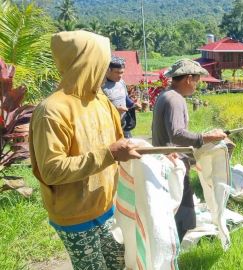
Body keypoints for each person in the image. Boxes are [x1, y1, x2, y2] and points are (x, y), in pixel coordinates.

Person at [29, 30, 141, 270]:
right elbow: (51, 170)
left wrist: (158, 156)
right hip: (75, 216)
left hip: (107, 206)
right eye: (100, 62)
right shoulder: (52, 111)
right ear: (84, 63)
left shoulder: (101, 101)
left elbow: (121, 145)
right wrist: (108, 154)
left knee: (119, 263)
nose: (104, 69)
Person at [152, 59, 228, 240]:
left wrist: (192, 159)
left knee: (175, 209)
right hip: (172, 164)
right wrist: (206, 138)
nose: (197, 85)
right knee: (182, 215)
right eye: (197, 81)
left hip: (169, 160)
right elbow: (177, 134)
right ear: (188, 79)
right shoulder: (175, 100)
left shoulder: (166, 95)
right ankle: (172, 255)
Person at [102, 56, 137, 138]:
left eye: (122, 72)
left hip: (123, 124)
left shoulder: (121, 82)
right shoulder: (100, 85)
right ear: (108, 70)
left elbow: (125, 98)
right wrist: (115, 110)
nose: (120, 75)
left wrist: (133, 105)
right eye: (117, 72)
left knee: (128, 148)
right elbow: (97, 107)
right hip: (109, 127)